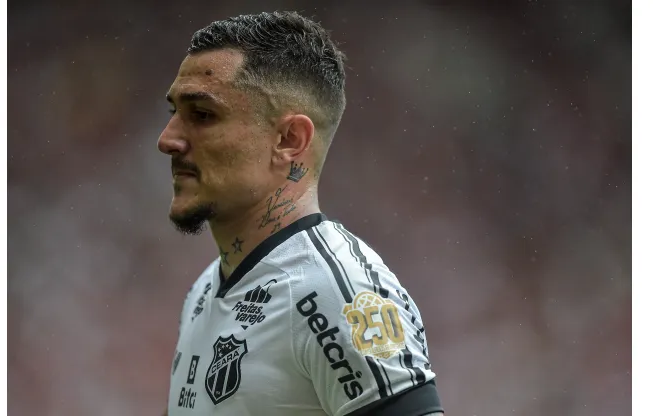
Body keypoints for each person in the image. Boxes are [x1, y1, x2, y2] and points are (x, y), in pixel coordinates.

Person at [157, 11, 444, 416]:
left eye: (202, 115)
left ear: (289, 139)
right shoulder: (208, 287)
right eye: (173, 112)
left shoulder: (337, 295)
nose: (167, 139)